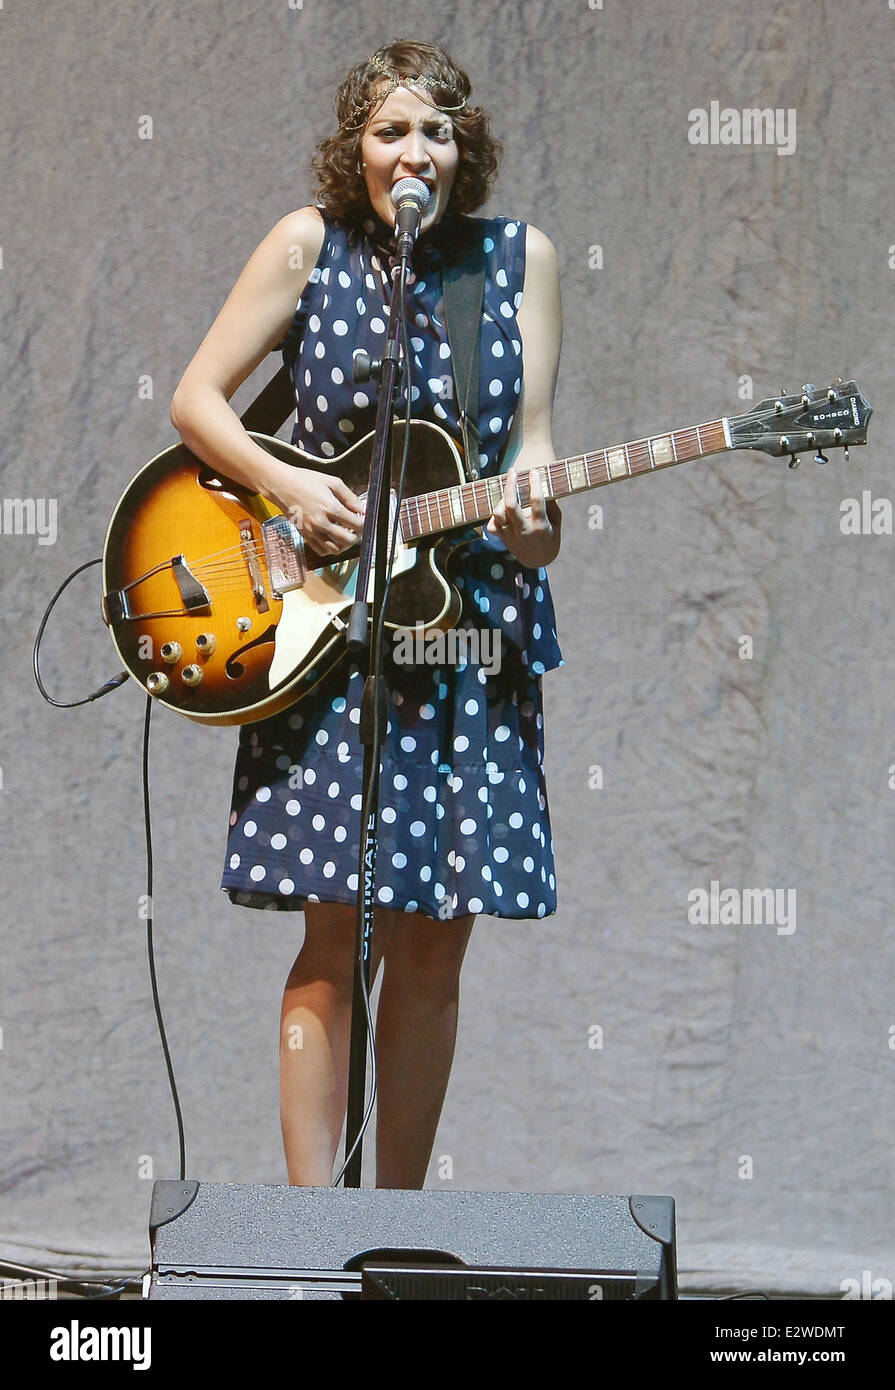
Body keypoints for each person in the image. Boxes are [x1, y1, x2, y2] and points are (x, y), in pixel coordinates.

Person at [169, 39, 564, 1189]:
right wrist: (290, 485)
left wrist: (535, 523)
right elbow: (197, 398)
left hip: (468, 636)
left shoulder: (520, 261)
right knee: (334, 939)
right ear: (358, 150)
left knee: (435, 945)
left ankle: (390, 1227)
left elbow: (530, 460)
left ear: (463, 150)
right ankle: (310, 1236)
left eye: (436, 131)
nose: (415, 151)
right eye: (392, 130)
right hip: (331, 631)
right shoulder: (312, 246)